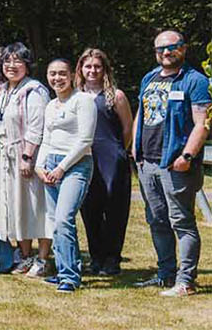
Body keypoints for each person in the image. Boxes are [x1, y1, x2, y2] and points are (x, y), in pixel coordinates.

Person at [132, 31, 208, 297]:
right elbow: (142, 111)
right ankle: (165, 275)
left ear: (183, 49)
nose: (166, 52)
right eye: (161, 48)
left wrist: (186, 157)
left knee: (181, 221)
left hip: (175, 163)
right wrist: (135, 147)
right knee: (157, 220)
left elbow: (202, 123)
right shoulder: (148, 78)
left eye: (172, 47)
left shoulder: (195, 80)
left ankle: (186, 281)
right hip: (147, 162)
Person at [34, 58, 97, 293]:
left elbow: (85, 140)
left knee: (63, 218)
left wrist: (62, 167)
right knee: (56, 222)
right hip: (50, 164)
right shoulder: (51, 105)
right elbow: (46, 139)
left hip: (76, 165)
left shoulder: (83, 101)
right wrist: (40, 167)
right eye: (52, 74)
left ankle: (70, 277)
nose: (57, 78)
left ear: (72, 75)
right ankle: (64, 269)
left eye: (62, 73)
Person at [0, 43, 53, 278]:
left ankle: (43, 258)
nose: (11, 66)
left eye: (18, 61)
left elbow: (37, 126)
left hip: (27, 155)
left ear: (27, 65)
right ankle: (25, 256)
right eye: (7, 61)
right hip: (5, 155)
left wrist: (27, 157)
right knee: (17, 206)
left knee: (36, 205)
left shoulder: (34, 90)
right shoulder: (3, 90)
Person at [75, 48, 133, 276]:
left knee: (115, 209)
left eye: (97, 66)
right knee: (89, 209)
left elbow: (128, 127)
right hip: (84, 157)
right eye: (88, 66)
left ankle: (112, 258)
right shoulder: (75, 95)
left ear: (104, 69)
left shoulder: (115, 96)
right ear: (81, 68)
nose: (92, 71)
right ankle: (96, 257)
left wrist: (119, 151)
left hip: (111, 158)